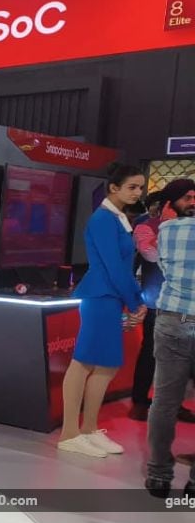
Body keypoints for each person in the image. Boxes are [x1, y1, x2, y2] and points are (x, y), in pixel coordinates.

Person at [59, 165, 147, 457]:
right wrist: (134, 303)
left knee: (107, 365)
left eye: (140, 187)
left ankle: (88, 429)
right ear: (114, 188)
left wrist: (135, 300)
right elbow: (113, 267)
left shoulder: (117, 218)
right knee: (83, 362)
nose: (138, 192)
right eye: (132, 187)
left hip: (111, 297)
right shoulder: (103, 220)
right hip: (100, 297)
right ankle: (70, 433)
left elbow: (124, 269)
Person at [130, 178, 195, 423]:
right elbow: (151, 254)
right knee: (150, 352)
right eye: (187, 198)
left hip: (187, 305)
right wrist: (168, 225)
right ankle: (139, 402)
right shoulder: (146, 226)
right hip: (157, 302)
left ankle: (173, 405)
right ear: (170, 202)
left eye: (194, 198)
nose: (192, 203)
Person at [147, 187, 195, 497]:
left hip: (172, 319)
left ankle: (158, 476)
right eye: (189, 196)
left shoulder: (166, 230)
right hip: (175, 321)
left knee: (164, 403)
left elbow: (163, 267)